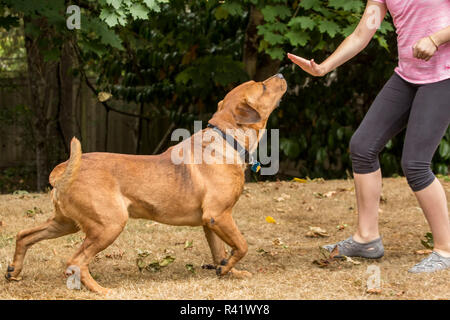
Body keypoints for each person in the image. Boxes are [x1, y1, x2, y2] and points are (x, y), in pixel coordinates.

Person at [288, 0, 450, 273]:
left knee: (415, 164)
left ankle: (445, 250)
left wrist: (436, 39)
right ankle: (367, 238)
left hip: (443, 77)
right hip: (407, 76)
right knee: (363, 146)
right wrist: (323, 68)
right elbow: (363, 33)